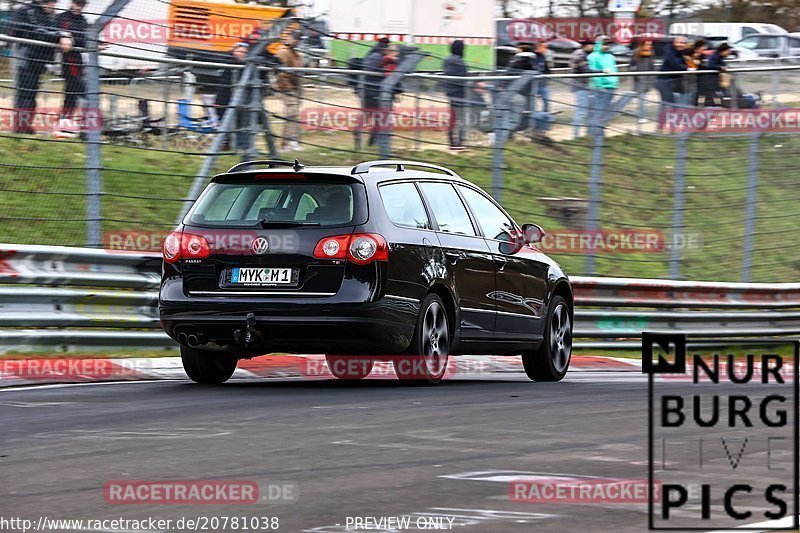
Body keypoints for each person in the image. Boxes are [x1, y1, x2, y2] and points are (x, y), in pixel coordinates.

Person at [9, 0, 62, 134]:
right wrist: (58, 37)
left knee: (30, 95)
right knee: (25, 95)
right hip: (25, 60)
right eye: (52, 3)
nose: (53, 6)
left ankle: (25, 126)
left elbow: (48, 32)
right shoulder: (28, 11)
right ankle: (21, 128)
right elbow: (37, 31)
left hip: (36, 61)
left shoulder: (43, 15)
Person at [215, 42, 249, 148]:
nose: (242, 54)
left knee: (240, 125)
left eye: (244, 52)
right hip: (225, 100)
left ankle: (239, 146)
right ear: (233, 51)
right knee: (225, 125)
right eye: (239, 51)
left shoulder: (246, 66)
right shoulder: (227, 63)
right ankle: (225, 145)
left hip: (240, 101)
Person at [275, 30, 303, 152]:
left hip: (294, 87)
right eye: (295, 38)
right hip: (288, 88)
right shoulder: (284, 52)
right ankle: (287, 143)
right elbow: (281, 73)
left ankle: (292, 141)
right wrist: (288, 88)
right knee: (291, 115)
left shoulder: (294, 52)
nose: (296, 41)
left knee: (294, 115)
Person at [361, 37, 390, 146]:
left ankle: (372, 142)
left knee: (374, 118)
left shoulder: (374, 54)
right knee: (378, 118)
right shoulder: (376, 56)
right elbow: (370, 70)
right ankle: (372, 143)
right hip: (372, 92)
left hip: (371, 91)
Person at [587, 35, 618, 135]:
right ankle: (594, 134)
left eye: (608, 44)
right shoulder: (593, 57)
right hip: (599, 88)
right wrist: (598, 85)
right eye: (604, 44)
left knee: (605, 111)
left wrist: (615, 82)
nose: (607, 46)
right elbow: (592, 72)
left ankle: (599, 132)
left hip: (611, 86)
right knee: (598, 111)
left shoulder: (611, 57)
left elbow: (614, 70)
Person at [443, 39, 468, 151]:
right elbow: (464, 77)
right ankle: (460, 141)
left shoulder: (446, 60)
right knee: (462, 118)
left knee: (452, 118)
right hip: (460, 93)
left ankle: (452, 141)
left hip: (450, 92)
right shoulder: (460, 62)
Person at [569, 39, 595, 139]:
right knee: (581, 112)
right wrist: (601, 71)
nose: (593, 47)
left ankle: (584, 134)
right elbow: (586, 70)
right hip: (581, 86)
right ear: (586, 45)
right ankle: (575, 136)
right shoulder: (581, 55)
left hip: (581, 85)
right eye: (591, 45)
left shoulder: (579, 53)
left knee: (586, 111)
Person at [656, 36, 688, 109]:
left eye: (684, 43)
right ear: (674, 43)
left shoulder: (682, 52)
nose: (681, 45)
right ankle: (662, 118)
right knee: (667, 102)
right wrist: (687, 68)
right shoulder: (669, 52)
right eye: (679, 43)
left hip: (675, 80)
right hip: (664, 80)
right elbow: (676, 66)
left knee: (678, 101)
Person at [697, 43, 731, 107]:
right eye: (727, 51)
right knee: (708, 95)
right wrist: (720, 67)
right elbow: (710, 65)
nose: (729, 52)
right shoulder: (715, 57)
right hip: (709, 81)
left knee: (713, 95)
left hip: (712, 81)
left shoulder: (719, 57)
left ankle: (716, 106)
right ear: (723, 50)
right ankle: (703, 106)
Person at [629, 40, 654, 123]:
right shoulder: (636, 54)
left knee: (643, 99)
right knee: (641, 99)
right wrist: (637, 75)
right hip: (639, 80)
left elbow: (652, 67)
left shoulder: (651, 54)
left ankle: (640, 114)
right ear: (642, 45)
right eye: (647, 44)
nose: (649, 46)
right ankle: (641, 116)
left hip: (647, 80)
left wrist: (651, 79)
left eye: (650, 45)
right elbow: (631, 66)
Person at [533, 40, 551, 113]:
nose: (546, 49)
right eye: (544, 47)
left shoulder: (543, 56)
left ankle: (544, 116)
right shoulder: (532, 56)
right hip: (534, 84)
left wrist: (548, 75)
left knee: (546, 101)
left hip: (543, 83)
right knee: (533, 103)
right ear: (539, 47)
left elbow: (546, 68)